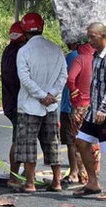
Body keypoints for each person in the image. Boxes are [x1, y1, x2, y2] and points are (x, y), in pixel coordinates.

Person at [14, 12, 67, 193]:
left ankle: (30, 183)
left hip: (30, 105)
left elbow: (25, 79)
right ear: (42, 27)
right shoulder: (56, 49)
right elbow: (63, 76)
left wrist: (40, 95)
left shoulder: (23, 51)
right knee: (52, 143)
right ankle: (57, 182)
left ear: (24, 30)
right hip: (51, 105)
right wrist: (50, 94)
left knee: (28, 144)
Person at [74, 22, 106, 201]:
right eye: (88, 37)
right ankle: (92, 182)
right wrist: (89, 106)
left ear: (103, 36)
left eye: (92, 37)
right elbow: (94, 84)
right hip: (93, 110)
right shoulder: (95, 56)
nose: (90, 40)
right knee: (81, 142)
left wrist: (103, 108)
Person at [67, 39, 97, 184]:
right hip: (94, 106)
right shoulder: (96, 59)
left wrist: (74, 92)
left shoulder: (80, 59)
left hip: (79, 107)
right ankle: (95, 174)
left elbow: (71, 78)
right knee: (94, 142)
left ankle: (84, 176)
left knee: (79, 143)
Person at [1, 21, 26, 189]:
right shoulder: (20, 53)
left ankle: (21, 173)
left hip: (10, 101)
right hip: (18, 103)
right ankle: (14, 176)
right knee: (19, 139)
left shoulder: (9, 51)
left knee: (23, 138)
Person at [60, 41, 80, 184]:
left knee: (71, 142)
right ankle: (86, 171)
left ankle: (74, 172)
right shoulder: (89, 56)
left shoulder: (71, 56)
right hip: (83, 105)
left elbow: (66, 78)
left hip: (69, 105)